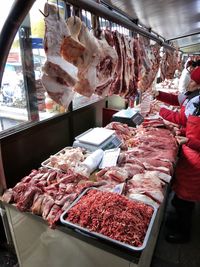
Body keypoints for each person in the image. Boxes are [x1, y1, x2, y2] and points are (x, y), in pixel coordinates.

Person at [152, 66, 200, 136]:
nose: (189, 83)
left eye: (192, 81)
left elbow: (183, 119)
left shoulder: (197, 100)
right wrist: (159, 95)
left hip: (190, 136)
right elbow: (177, 99)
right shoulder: (193, 93)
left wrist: (161, 110)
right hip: (185, 132)